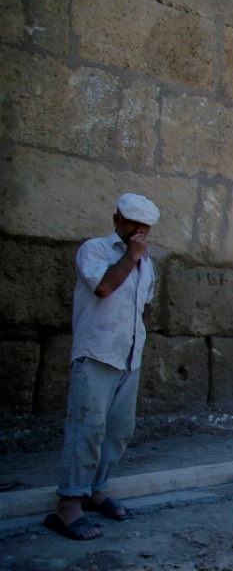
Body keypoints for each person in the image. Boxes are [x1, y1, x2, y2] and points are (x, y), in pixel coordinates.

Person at [45, 193, 160, 541]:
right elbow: (105, 288)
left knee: (118, 430)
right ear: (116, 221)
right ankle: (67, 505)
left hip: (128, 357)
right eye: (131, 224)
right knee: (87, 428)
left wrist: (139, 334)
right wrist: (130, 256)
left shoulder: (146, 263)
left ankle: (95, 491)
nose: (137, 231)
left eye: (144, 227)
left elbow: (145, 305)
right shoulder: (94, 250)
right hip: (97, 354)